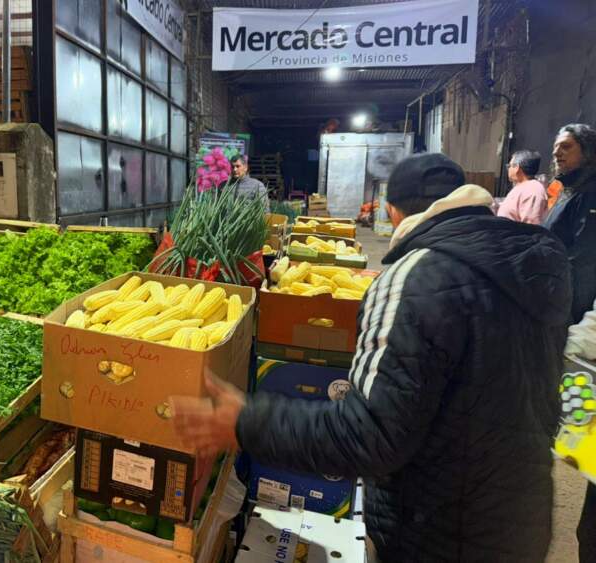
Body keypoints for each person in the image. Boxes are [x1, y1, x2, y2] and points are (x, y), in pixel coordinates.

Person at [171, 153, 571, 562]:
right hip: (522, 518)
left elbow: (370, 436)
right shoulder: (535, 267)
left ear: (393, 211)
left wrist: (246, 421)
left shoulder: (414, 278)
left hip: (437, 530)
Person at [543, 123, 596, 563]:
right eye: (557, 147)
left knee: (577, 399)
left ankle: (574, 439)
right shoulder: (568, 191)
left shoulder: (592, 196)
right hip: (563, 317)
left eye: (568, 147)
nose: (558, 153)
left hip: (578, 322)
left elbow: (579, 260)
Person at [497, 149, 548, 224]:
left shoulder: (532, 189)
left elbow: (531, 225)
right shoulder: (523, 187)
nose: (508, 169)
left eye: (509, 166)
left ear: (516, 168)